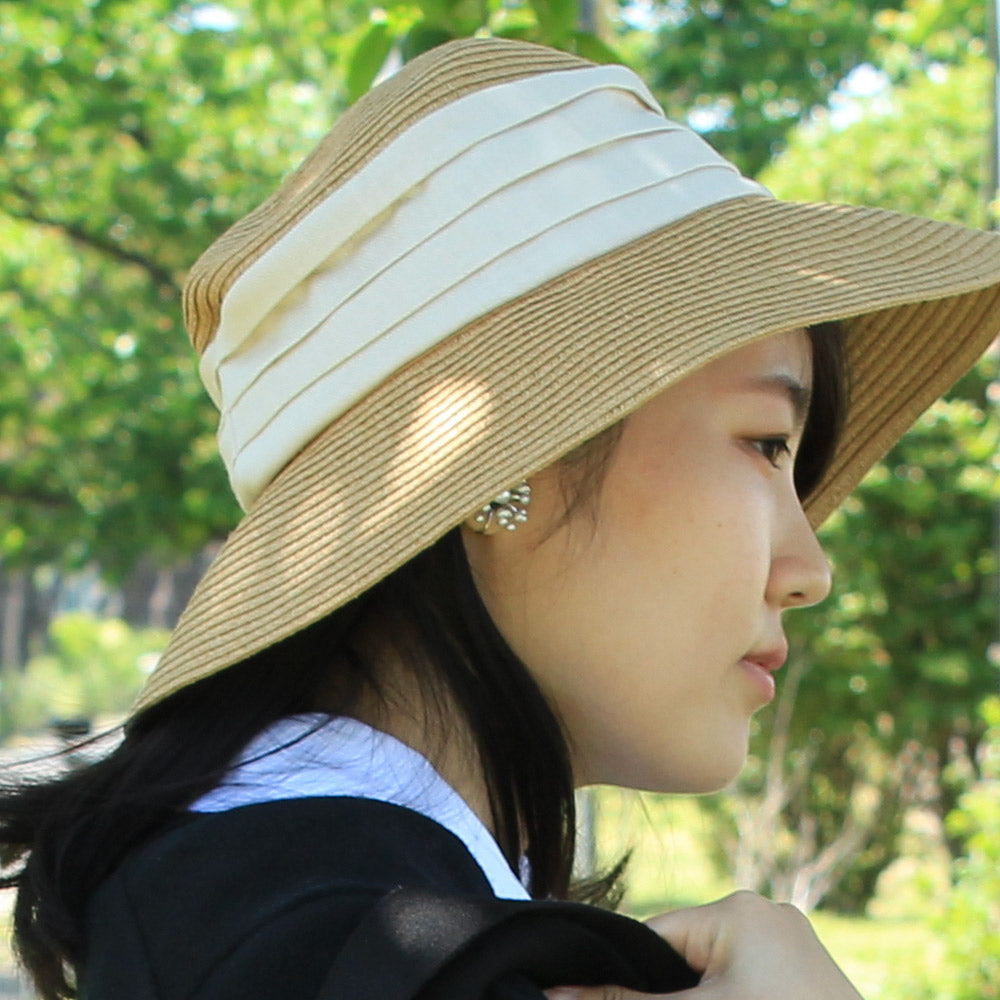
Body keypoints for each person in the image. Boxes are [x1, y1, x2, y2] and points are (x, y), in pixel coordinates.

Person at [2, 35, 999, 1000]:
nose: (809, 569)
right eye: (767, 444)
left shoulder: (299, 905)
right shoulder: (341, 949)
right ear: (504, 464)